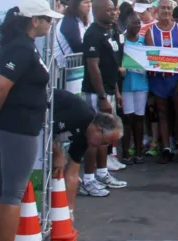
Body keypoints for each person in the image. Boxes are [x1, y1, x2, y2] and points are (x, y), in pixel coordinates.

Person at [0, 0, 62, 241]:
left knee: (0, 189)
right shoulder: (22, 49)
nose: (50, 23)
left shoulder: (21, 47)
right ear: (34, 21)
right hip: (17, 127)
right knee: (11, 192)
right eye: (47, 19)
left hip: (11, 125)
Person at [50, 89, 123, 229]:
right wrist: (57, 152)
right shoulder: (78, 115)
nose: (104, 146)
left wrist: (69, 213)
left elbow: (72, 174)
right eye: (104, 142)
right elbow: (41, 125)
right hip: (26, 109)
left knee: (59, 166)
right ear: (98, 129)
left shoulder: (86, 136)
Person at [80, 0, 127, 195]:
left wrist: (115, 91)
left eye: (114, 9)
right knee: (95, 136)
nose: (113, 12)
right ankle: (88, 179)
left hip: (109, 90)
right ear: (97, 12)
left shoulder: (110, 32)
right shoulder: (93, 34)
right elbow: (93, 66)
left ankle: (102, 173)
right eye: (108, 10)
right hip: (95, 93)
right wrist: (101, 97)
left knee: (106, 136)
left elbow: (111, 66)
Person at [144, 0, 178, 164]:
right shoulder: (150, 31)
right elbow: (151, 57)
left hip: (176, 78)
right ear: (157, 10)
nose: (166, 11)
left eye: (168, 8)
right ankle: (166, 148)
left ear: (172, 10)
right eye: (163, 8)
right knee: (162, 113)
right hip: (158, 79)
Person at [118, 7, 148, 162]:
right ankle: (125, 152)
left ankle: (138, 152)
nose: (137, 26)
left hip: (141, 85)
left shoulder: (144, 41)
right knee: (127, 119)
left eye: (139, 23)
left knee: (139, 118)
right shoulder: (121, 41)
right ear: (126, 24)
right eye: (133, 23)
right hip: (126, 85)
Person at [56, 0, 91, 67]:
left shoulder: (81, 20)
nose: (89, 5)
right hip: (65, 71)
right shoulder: (69, 22)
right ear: (76, 4)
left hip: (77, 67)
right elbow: (78, 48)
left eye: (90, 2)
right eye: (86, 2)